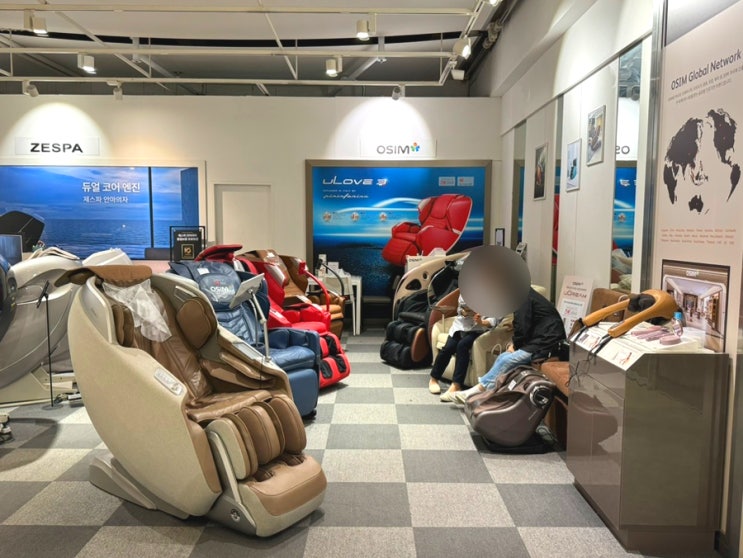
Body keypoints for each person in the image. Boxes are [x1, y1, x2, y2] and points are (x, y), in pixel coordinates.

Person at [452, 287, 566, 404]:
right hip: (540, 339)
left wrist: (515, 345)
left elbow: (522, 327)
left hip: (547, 344)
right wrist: (515, 342)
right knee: (502, 357)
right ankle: (487, 392)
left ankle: (477, 392)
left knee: (507, 360)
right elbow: (526, 322)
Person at [429, 295, 496, 402]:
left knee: (462, 345)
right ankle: (434, 378)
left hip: (478, 330)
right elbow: (460, 308)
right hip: (460, 326)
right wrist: (463, 312)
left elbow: (495, 319)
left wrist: (482, 322)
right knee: (448, 347)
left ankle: (456, 385)